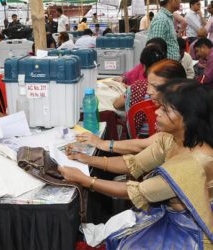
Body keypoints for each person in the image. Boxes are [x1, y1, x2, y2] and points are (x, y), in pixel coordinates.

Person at [59, 80, 213, 248]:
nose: (157, 112)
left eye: (165, 110)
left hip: (191, 230)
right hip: (172, 215)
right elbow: (134, 163)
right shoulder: (173, 140)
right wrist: (88, 159)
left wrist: (85, 180)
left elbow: (137, 192)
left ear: (187, 120)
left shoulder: (192, 164)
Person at [81, 59, 186, 155]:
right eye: (148, 84)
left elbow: (141, 149)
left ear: (176, 87)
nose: (149, 91)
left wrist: (101, 144)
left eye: (156, 86)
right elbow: (142, 153)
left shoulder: (179, 116)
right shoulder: (170, 111)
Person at [113, 46, 167, 138]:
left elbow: (116, 104)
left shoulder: (137, 87)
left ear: (144, 66)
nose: (150, 91)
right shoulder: (171, 87)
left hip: (139, 139)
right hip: (164, 137)